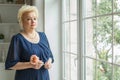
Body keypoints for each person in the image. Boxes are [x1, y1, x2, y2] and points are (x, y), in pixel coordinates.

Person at [5, 5, 54, 80]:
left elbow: (50, 55)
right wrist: (30, 65)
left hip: (44, 77)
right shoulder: (17, 39)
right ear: (22, 22)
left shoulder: (43, 35)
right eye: (28, 19)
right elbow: (11, 64)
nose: (33, 21)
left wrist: (49, 62)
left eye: (35, 18)